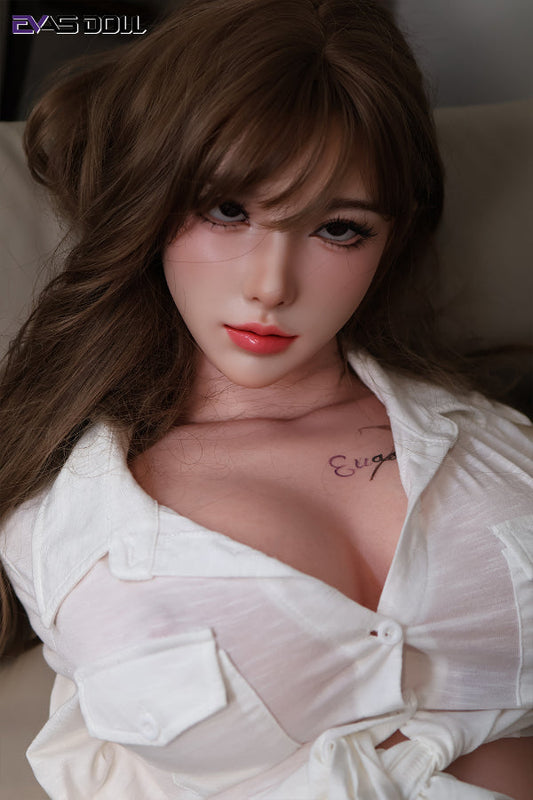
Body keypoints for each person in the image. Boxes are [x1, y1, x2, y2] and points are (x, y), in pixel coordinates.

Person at [0, 0, 532, 797]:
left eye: (338, 228)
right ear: (148, 203)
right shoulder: (69, 524)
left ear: (391, 238)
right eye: (228, 210)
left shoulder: (497, 443)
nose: (270, 286)